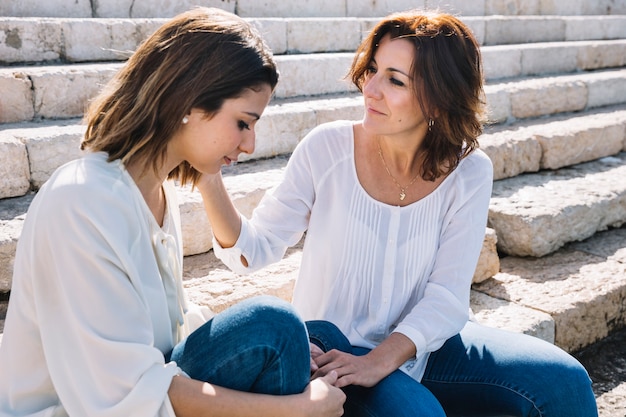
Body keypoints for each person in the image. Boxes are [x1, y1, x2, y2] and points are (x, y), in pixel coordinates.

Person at [198, 9, 599, 417]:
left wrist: (381, 359)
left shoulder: (470, 170)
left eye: (394, 80)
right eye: (373, 69)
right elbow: (253, 251)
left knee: (565, 381)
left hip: (427, 346)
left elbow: (447, 297)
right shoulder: (327, 149)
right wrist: (209, 178)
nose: (370, 89)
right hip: (334, 349)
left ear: (439, 101)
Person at [0, 7, 346, 417]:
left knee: (309, 336)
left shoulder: (156, 191)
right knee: (275, 324)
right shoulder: (82, 202)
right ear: (190, 102)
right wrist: (299, 408)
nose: (250, 144)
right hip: (82, 409)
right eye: (243, 122)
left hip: (147, 387)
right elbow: (125, 396)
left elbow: (172, 328)